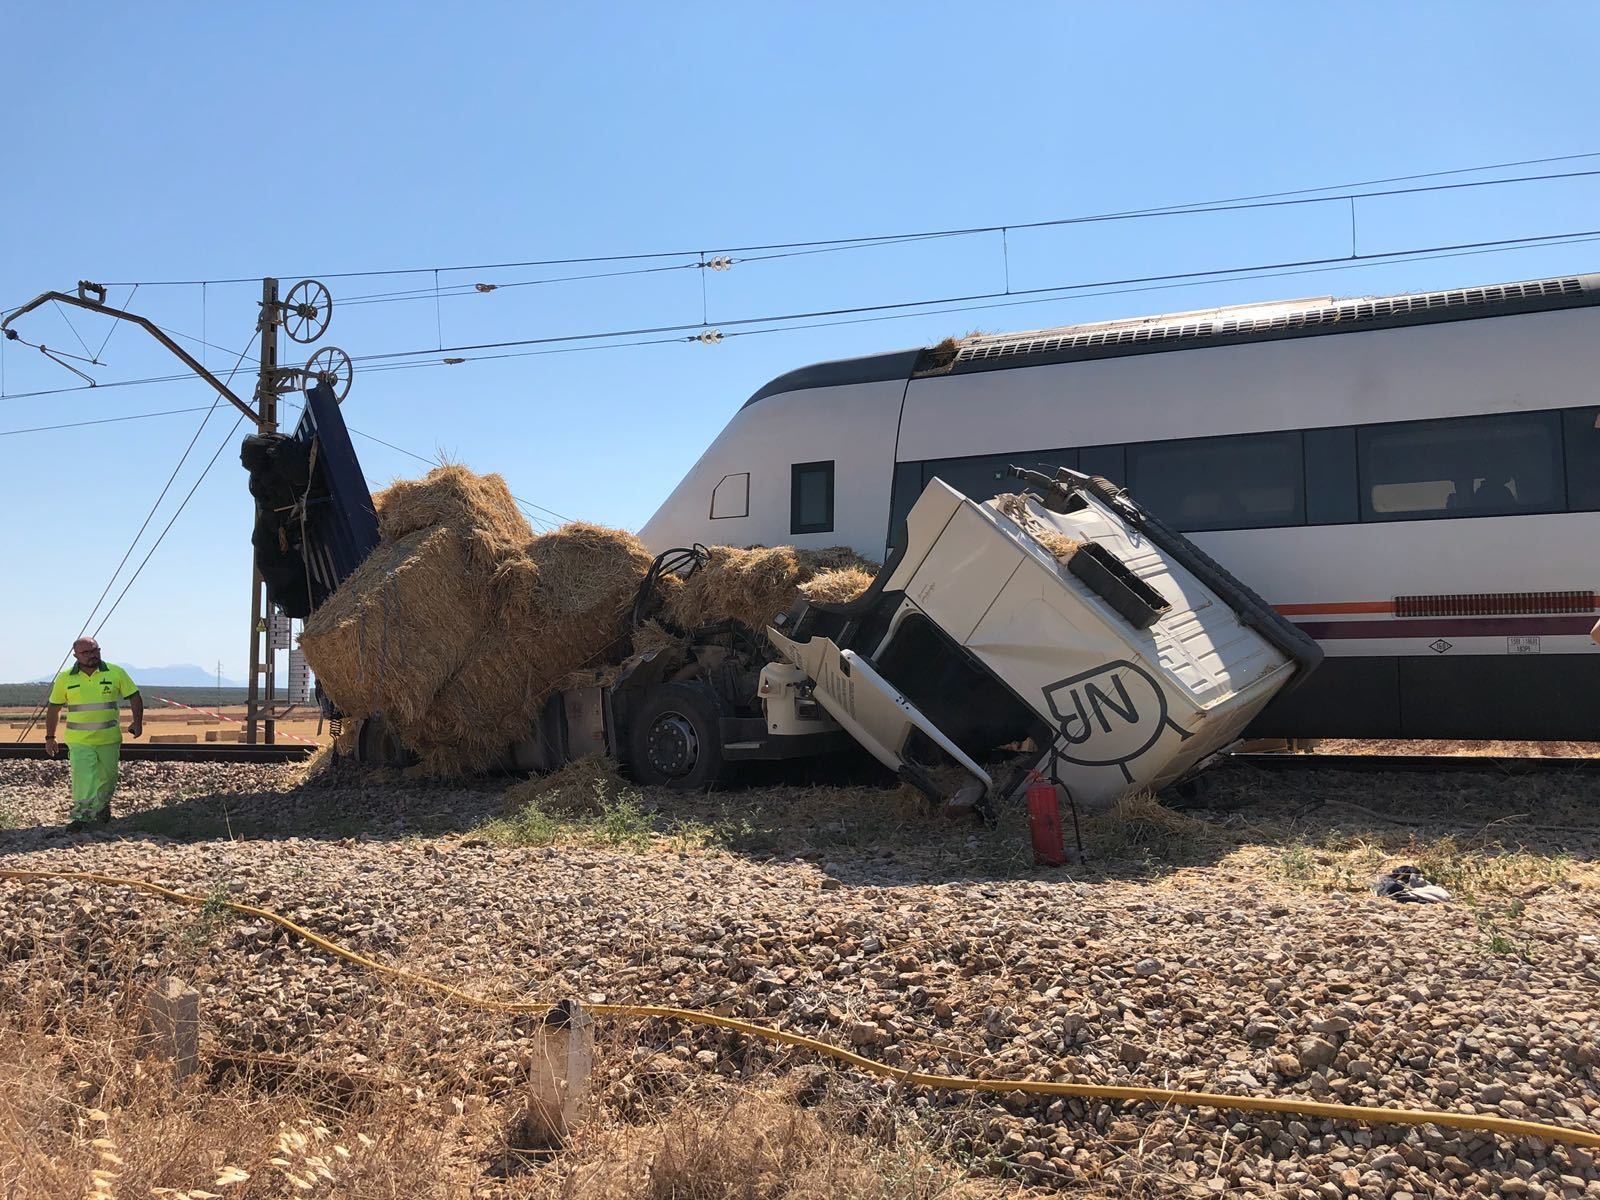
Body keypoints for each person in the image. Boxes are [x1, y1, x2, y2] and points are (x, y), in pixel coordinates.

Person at [44, 638, 142, 827]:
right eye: (86, 653)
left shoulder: (116, 672)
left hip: (109, 739)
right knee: (83, 777)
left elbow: (135, 696)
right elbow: (54, 708)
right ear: (75, 656)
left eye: (95, 650)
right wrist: (50, 737)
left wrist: (137, 722)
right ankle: (81, 817)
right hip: (79, 740)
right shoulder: (65, 678)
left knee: (109, 777)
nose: (92, 655)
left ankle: (102, 806)